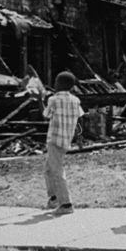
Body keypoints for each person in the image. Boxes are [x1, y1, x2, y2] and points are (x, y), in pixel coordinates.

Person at [42, 70, 84, 216]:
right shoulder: (75, 100)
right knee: (48, 169)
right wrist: (79, 138)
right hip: (66, 139)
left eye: (56, 82)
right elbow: (79, 118)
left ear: (59, 84)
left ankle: (66, 204)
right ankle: (53, 198)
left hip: (54, 139)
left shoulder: (53, 100)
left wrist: (39, 101)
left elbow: (46, 115)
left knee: (57, 171)